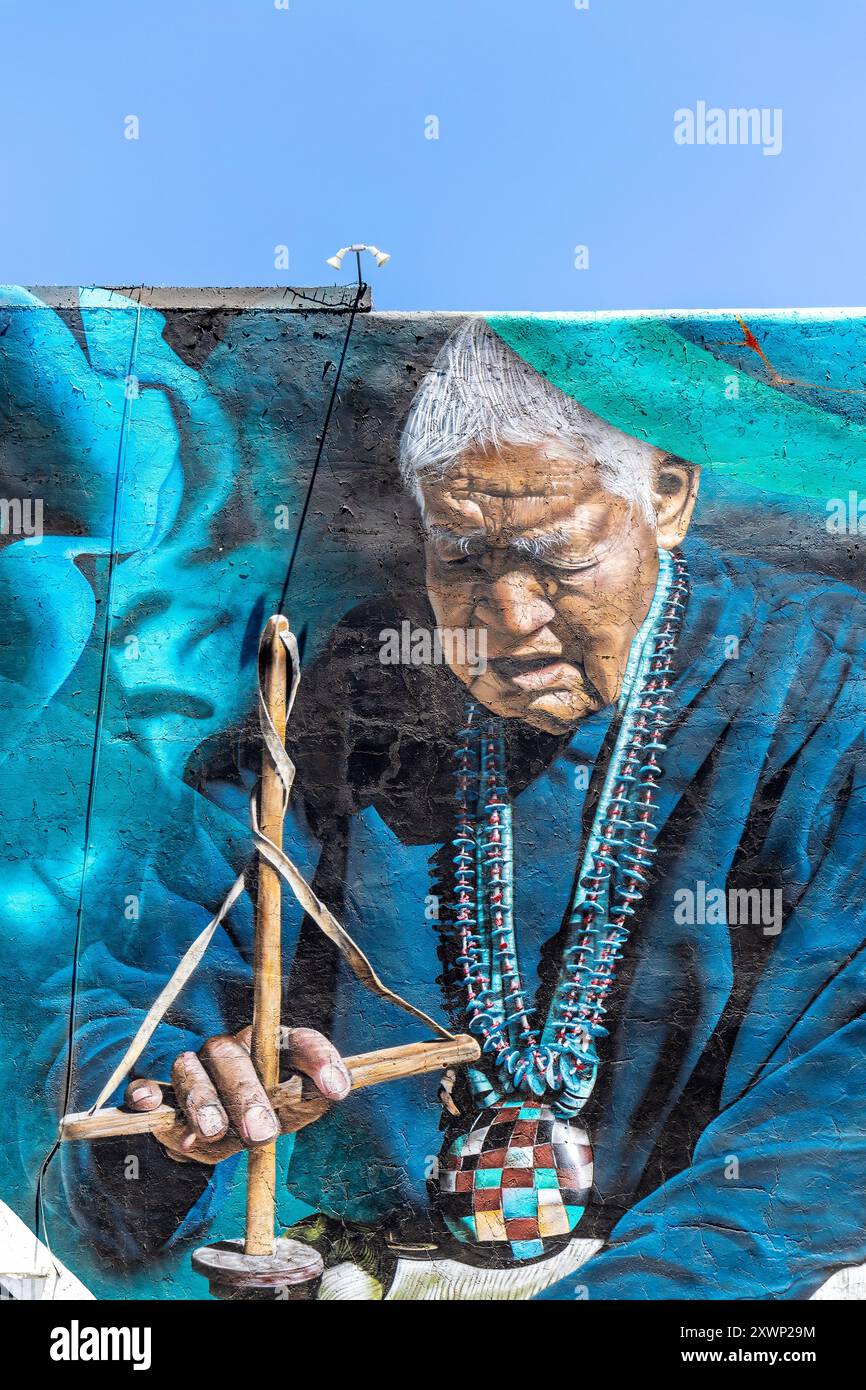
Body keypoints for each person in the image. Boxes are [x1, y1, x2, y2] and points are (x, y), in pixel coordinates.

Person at [56, 319, 866, 1299]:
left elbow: (830, 1134)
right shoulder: (356, 685)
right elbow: (131, 1005)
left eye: (555, 558)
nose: (509, 617)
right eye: (464, 560)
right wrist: (173, 1101)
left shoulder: (826, 692)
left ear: (665, 496)